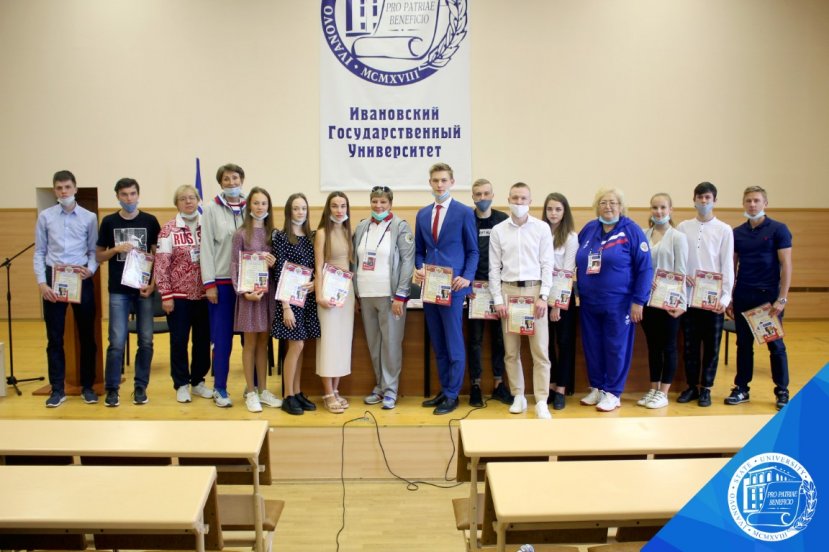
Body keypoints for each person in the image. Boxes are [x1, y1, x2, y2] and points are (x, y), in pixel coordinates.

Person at [576, 188, 652, 412]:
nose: (607, 207)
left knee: (615, 347)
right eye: (603, 203)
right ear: (596, 206)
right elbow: (578, 260)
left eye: (612, 203)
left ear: (621, 206)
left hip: (619, 303)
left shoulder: (631, 231)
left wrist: (639, 300)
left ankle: (613, 392)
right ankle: (597, 387)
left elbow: (645, 268)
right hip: (589, 302)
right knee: (592, 346)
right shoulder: (589, 229)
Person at [415, 162, 479, 415]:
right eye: (435, 180)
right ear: (430, 182)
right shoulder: (422, 214)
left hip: (453, 287)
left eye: (443, 180)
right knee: (438, 343)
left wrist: (467, 277)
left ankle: (453, 394)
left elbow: (473, 250)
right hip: (430, 287)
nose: (439, 184)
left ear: (452, 182)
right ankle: (444, 390)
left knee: (453, 343)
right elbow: (420, 251)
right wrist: (419, 267)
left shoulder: (464, 212)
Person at [489, 182, 555, 419]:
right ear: (508, 199)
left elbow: (548, 264)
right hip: (509, 293)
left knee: (540, 351)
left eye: (523, 199)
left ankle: (541, 400)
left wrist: (544, 296)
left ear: (530, 201)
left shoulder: (541, 228)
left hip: (534, 292)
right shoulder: (498, 230)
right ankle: (518, 395)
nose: (519, 203)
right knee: (511, 351)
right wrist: (498, 300)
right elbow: (494, 269)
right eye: (515, 198)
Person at [34, 170, 99, 407]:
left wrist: (90, 270)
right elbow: (39, 252)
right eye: (59, 188)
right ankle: (57, 389)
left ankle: (88, 387)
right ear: (54, 190)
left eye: (67, 187)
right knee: (54, 337)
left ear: (75, 188)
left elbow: (94, 251)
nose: (64, 191)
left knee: (87, 336)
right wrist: (42, 283)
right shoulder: (45, 217)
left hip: (81, 277)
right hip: (54, 278)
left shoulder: (89, 217)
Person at [725, 186, 792, 410]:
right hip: (744, 294)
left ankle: (782, 390)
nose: (752, 204)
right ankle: (742, 388)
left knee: (776, 346)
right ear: (743, 204)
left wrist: (782, 299)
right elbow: (731, 267)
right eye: (748, 201)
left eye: (756, 201)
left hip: (769, 299)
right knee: (743, 345)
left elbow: (786, 264)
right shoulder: (737, 233)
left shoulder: (778, 229)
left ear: (765, 204)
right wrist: (731, 298)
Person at [96, 178, 160, 407]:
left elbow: (157, 257)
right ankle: (112, 389)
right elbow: (98, 256)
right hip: (118, 291)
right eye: (124, 195)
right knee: (116, 341)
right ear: (117, 196)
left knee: (146, 341)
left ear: (138, 194)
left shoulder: (150, 221)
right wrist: (115, 249)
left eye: (133, 194)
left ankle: (140, 387)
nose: (129, 199)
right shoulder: (109, 222)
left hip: (143, 290)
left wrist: (152, 285)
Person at [352, 186, 415, 410]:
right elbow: (354, 260)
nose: (378, 206)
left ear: (390, 203)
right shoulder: (362, 227)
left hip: (390, 297)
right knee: (374, 344)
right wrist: (355, 294)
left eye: (383, 202)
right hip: (366, 295)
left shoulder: (400, 227)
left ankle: (391, 390)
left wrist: (401, 295)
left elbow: (408, 262)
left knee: (390, 344)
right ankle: (380, 386)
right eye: (375, 202)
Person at [676, 182, 734, 407]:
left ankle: (706, 388)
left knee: (711, 347)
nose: (703, 201)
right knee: (690, 346)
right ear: (694, 200)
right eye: (699, 197)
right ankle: (691, 386)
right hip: (689, 298)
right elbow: (678, 260)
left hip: (713, 299)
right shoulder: (683, 227)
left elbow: (727, 265)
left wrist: (725, 298)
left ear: (714, 201)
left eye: (707, 197)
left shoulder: (724, 229)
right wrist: (682, 277)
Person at [154, 185, 212, 403]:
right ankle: (181, 384)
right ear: (176, 203)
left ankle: (198, 381)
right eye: (183, 199)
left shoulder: (207, 226)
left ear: (198, 200)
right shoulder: (169, 230)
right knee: (179, 341)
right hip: (178, 298)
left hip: (206, 295)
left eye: (192, 198)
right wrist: (166, 295)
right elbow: (161, 265)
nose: (188, 202)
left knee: (202, 340)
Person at [230, 187, 281, 413]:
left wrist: (273, 263)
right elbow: (234, 265)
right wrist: (243, 292)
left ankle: (263, 390)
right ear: (249, 205)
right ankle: (250, 392)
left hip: (267, 295)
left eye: (264, 203)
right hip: (250, 296)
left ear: (268, 207)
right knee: (250, 343)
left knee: (264, 343)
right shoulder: (241, 234)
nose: (260, 207)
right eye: (256, 203)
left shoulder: (274, 234)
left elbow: (280, 267)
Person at [201, 163, 247, 407]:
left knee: (251, 338)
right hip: (222, 282)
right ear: (220, 183)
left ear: (242, 180)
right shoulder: (210, 209)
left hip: (249, 283)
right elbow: (206, 247)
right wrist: (209, 284)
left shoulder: (254, 206)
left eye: (235, 178)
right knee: (222, 338)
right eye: (226, 179)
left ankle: (255, 388)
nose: (231, 182)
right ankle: (220, 388)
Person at [639, 193, 688, 409]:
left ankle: (664, 392)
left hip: (669, 303)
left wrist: (681, 303)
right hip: (648, 301)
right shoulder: (643, 235)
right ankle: (653, 388)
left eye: (662, 207)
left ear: (671, 210)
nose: (658, 212)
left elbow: (682, 271)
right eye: (654, 207)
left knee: (668, 346)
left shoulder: (677, 237)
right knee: (653, 346)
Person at [271, 193, 319, 415]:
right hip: (289, 300)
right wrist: (286, 307)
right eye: (296, 208)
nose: (300, 212)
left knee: (301, 347)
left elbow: (317, 267)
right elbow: (280, 272)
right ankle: (287, 395)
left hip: (306, 299)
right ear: (289, 211)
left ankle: (297, 391)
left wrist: (315, 282)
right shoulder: (280, 238)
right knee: (296, 345)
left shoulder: (312, 237)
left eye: (303, 208)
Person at [467, 178, 510, 406]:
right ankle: (475, 385)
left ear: (493, 195)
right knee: (474, 340)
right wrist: (465, 284)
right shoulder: (467, 218)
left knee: (500, 340)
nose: (482, 198)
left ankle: (499, 384)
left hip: (498, 290)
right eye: (478, 194)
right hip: (474, 291)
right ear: (472, 197)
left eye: (486, 194)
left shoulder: (503, 220)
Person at [315, 191, 355, 414]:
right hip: (328, 293)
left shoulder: (348, 231)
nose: (339, 210)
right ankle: (327, 392)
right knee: (329, 342)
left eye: (343, 206)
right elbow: (319, 267)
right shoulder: (322, 232)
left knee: (341, 342)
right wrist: (320, 294)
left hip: (346, 294)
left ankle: (336, 390)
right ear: (328, 208)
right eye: (334, 206)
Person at [541, 192, 578, 410]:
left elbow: (567, 271)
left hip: (562, 299)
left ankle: (562, 389)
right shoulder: (540, 232)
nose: (553, 213)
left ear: (565, 212)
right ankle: (551, 386)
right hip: (542, 297)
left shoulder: (571, 236)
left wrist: (557, 304)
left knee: (563, 344)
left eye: (558, 209)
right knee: (546, 344)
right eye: (549, 209)